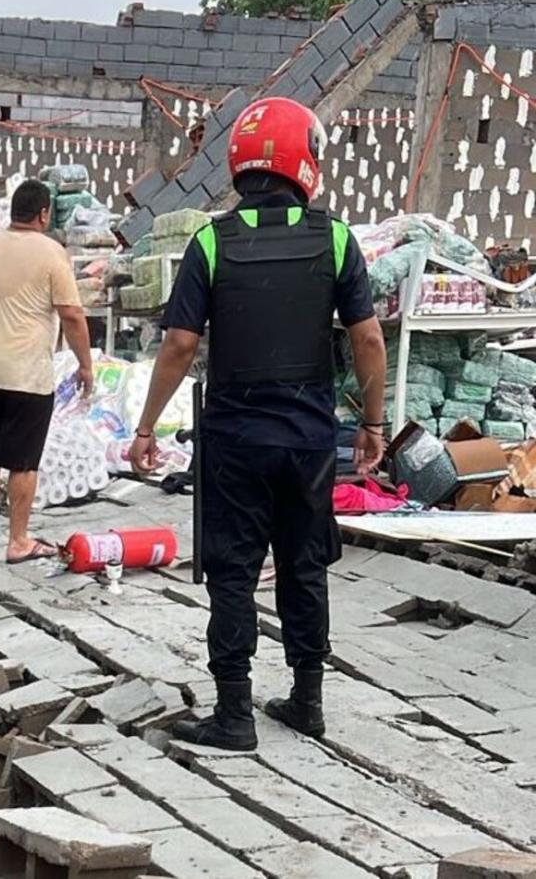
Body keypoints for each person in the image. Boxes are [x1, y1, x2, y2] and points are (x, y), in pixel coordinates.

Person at [130, 97, 387, 751]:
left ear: (240, 161)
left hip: (236, 440)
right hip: (308, 441)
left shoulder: (212, 240)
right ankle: (306, 699)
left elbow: (180, 345)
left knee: (234, 570)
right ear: (305, 160)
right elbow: (368, 341)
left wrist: (146, 427)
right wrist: (374, 424)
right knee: (305, 563)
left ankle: (235, 713)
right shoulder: (335, 237)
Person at [0, 179, 94, 563]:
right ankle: (18, 540)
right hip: (27, 375)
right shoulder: (51, 253)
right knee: (24, 461)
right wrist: (85, 363)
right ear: (43, 213)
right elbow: (72, 315)